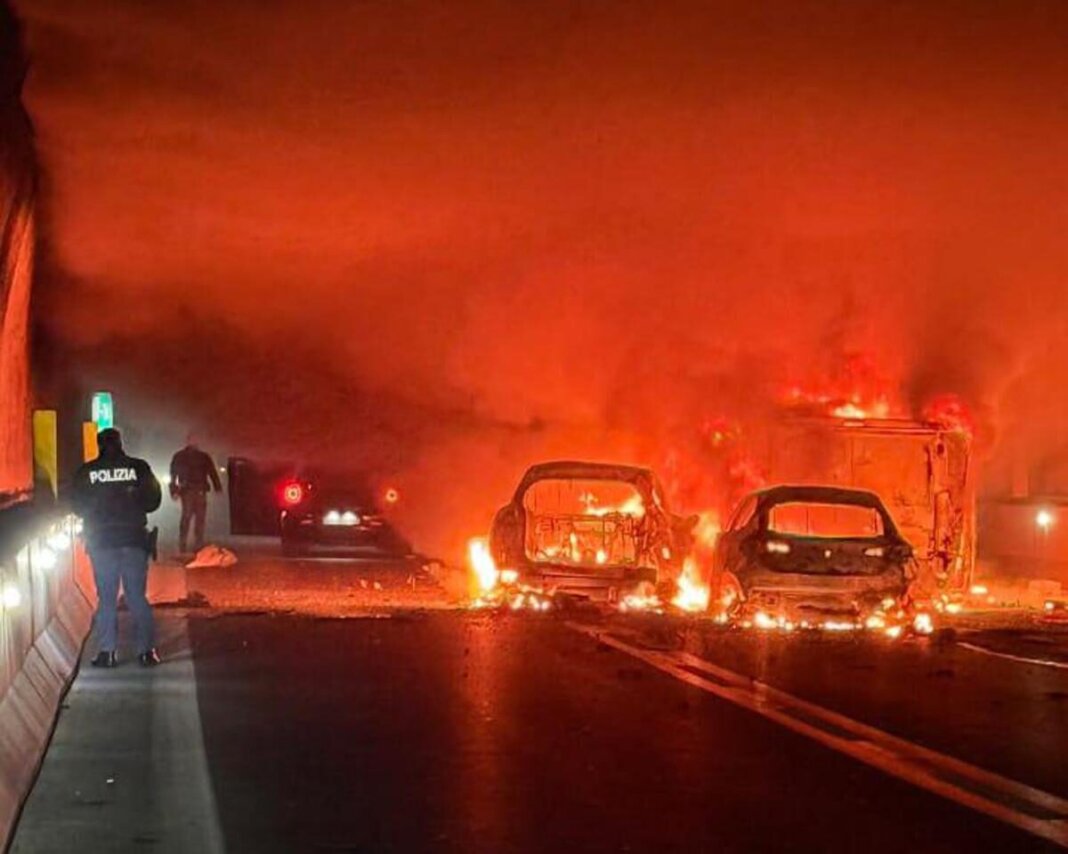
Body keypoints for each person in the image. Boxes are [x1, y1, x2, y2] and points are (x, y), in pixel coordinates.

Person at [71, 428, 163, 667]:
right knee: (137, 597)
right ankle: (147, 652)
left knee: (107, 598)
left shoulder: (86, 472)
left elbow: (77, 506)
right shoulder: (139, 468)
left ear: (99, 445)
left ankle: (108, 653)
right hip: (134, 540)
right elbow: (153, 501)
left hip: (102, 541)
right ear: (121, 443)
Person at [169, 434, 222, 554]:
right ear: (187, 441)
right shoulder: (181, 456)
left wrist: (217, 486)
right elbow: (173, 475)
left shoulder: (201, 457)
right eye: (192, 440)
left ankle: (197, 545)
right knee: (188, 517)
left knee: (198, 519)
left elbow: (212, 472)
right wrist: (174, 490)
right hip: (188, 490)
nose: (193, 442)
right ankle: (184, 544)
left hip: (198, 490)